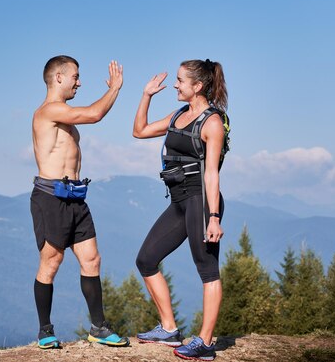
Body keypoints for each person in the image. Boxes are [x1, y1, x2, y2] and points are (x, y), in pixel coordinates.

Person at [30, 55, 129, 349]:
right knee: (51, 261)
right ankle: (45, 331)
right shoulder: (48, 111)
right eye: (75, 76)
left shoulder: (63, 115)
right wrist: (115, 89)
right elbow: (94, 114)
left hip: (75, 197)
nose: (79, 82)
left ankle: (99, 327)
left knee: (92, 259)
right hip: (50, 197)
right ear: (58, 77)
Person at [132, 59, 228, 361]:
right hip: (178, 201)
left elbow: (212, 173)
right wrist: (146, 95)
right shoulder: (178, 116)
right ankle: (169, 329)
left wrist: (213, 217)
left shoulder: (212, 123)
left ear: (197, 86)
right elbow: (140, 131)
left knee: (207, 270)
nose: (175, 85)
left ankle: (206, 343)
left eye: (179, 81)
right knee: (146, 259)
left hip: (202, 201)